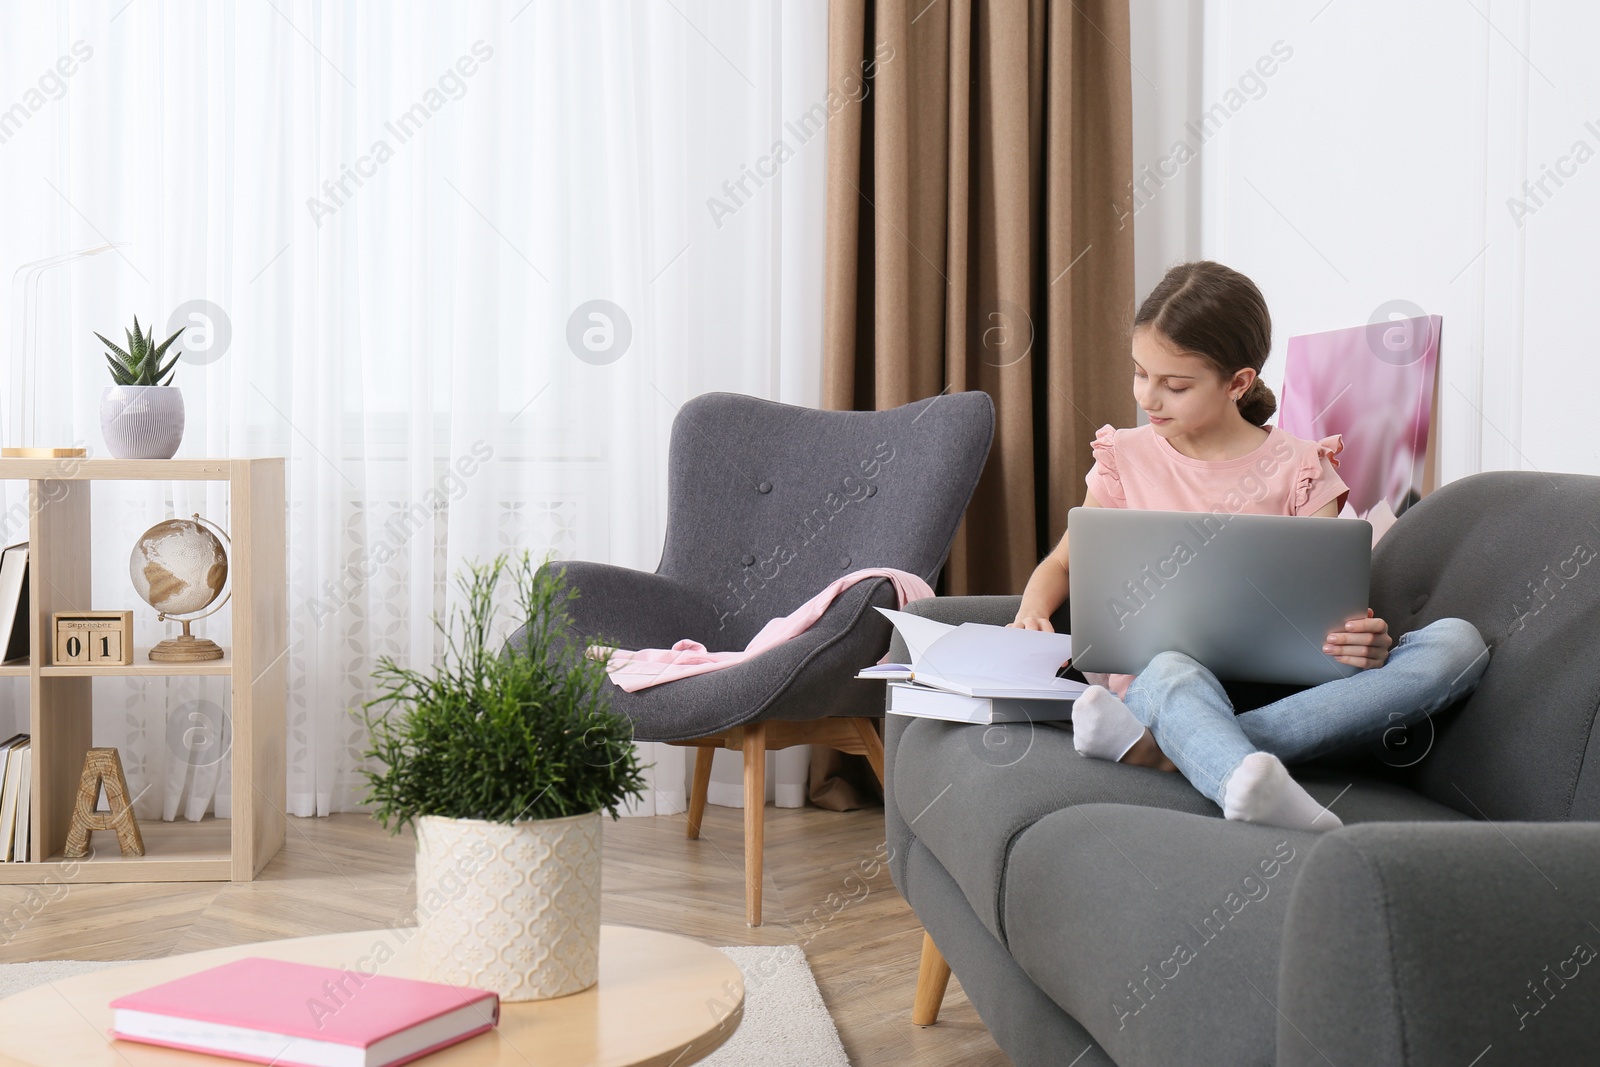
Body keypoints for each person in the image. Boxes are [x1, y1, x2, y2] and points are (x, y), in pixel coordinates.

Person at [1008, 261, 1490, 832]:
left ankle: (1166, 748)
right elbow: (1066, 559)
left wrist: (1367, 637)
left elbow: (1330, 605)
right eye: (1140, 374)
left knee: (1458, 644)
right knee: (1169, 667)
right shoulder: (1124, 456)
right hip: (1167, 681)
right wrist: (1032, 610)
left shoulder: (1302, 468)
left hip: (1283, 692)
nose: (1149, 398)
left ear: (1237, 383)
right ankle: (1234, 772)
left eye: (1175, 385)